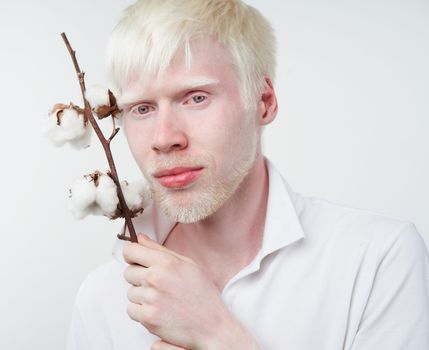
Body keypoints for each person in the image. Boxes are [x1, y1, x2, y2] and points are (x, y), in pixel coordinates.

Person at [66, 0, 429, 349]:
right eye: (142, 108)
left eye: (195, 98)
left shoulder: (378, 259)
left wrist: (217, 334)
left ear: (264, 101)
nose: (164, 139)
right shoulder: (102, 298)